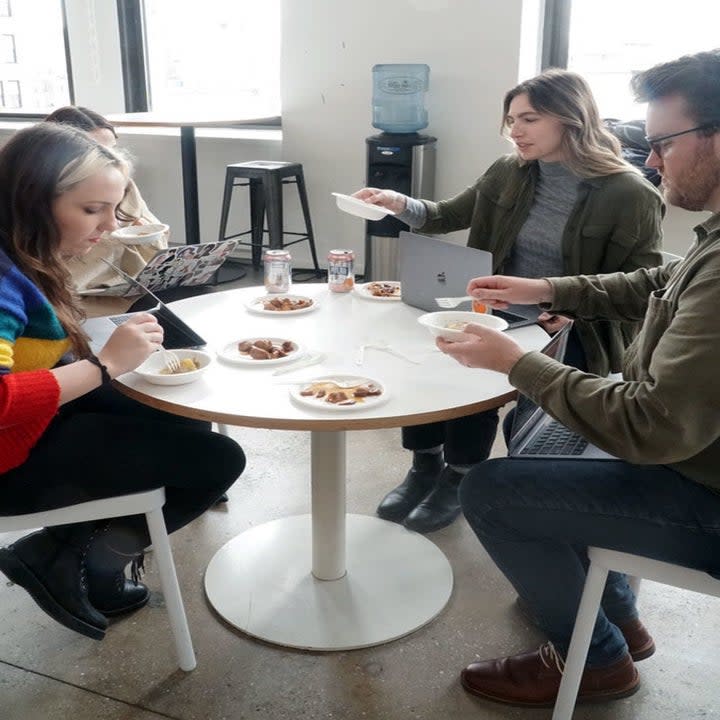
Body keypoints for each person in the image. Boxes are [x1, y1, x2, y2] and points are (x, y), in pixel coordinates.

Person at [436, 49, 720, 707]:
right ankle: (616, 610)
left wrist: (516, 362)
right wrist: (549, 286)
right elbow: (661, 278)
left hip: (701, 489)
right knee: (538, 437)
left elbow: (650, 427)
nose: (652, 161)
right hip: (691, 456)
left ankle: (595, 660)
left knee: (490, 490)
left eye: (664, 144)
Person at [354, 69, 665, 533]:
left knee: (475, 374)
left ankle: (460, 475)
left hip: (572, 324)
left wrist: (568, 306)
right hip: (494, 304)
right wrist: (396, 202)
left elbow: (642, 286)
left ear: (571, 119)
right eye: (511, 120)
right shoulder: (509, 171)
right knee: (430, 352)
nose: (514, 131)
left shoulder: (629, 193)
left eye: (529, 119)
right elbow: (444, 216)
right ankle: (424, 464)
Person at [0, 123, 246, 641]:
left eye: (113, 209)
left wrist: (109, 347)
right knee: (219, 462)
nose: (109, 226)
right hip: (8, 458)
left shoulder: (26, 258)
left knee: (183, 412)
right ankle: (78, 558)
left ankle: (70, 555)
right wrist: (102, 365)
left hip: (34, 422)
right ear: (28, 201)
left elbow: (28, 356)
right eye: (92, 210)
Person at [44, 106, 170, 317]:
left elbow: (157, 241)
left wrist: (147, 236)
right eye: (95, 152)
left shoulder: (121, 184)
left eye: (112, 149)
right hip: (78, 300)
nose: (108, 160)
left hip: (125, 288)